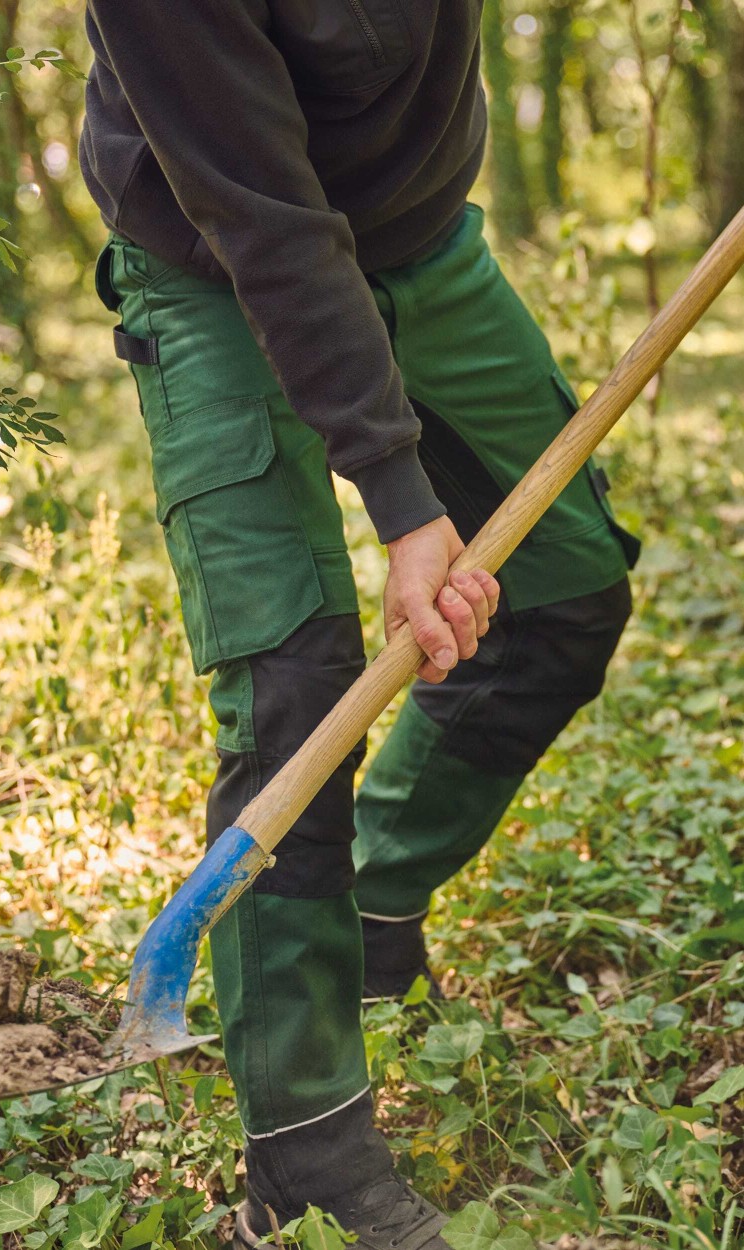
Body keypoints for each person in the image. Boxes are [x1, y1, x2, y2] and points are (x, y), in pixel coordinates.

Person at [79, 3, 639, 1246]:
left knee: (564, 590)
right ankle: (307, 1156)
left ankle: (375, 909)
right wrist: (400, 500)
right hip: (219, 260)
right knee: (295, 697)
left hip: (422, 240)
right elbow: (267, 221)